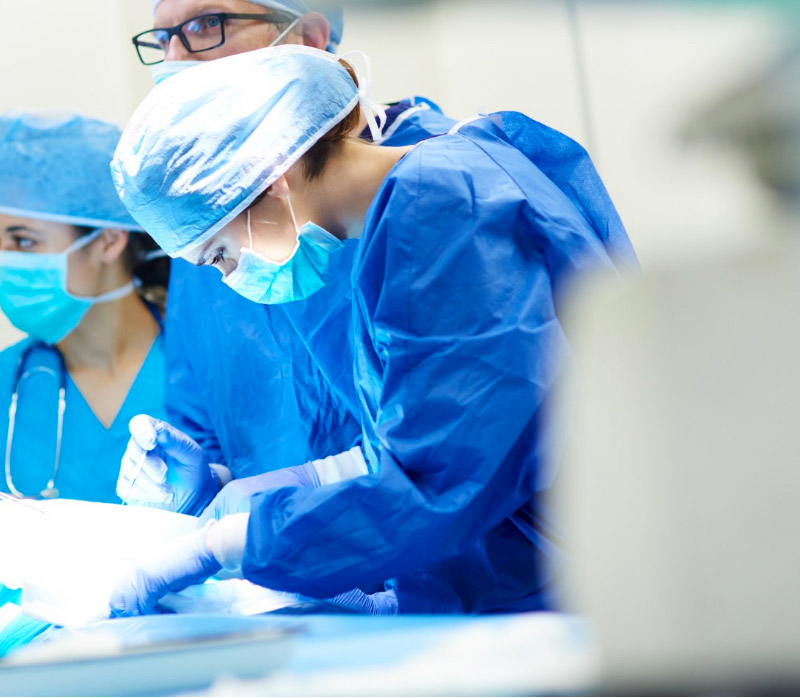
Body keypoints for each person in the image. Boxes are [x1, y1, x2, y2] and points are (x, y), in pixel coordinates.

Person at [108, 46, 637, 616]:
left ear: (270, 182)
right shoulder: (441, 188)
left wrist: (229, 545)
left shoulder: (442, 207)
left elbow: (441, 484)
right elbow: (468, 425)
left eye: (218, 255)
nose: (230, 277)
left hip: (571, 604)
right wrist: (288, 486)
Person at [134, 0, 456, 481]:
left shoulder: (441, 193)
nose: (175, 59)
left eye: (206, 24)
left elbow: (464, 445)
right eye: (162, 40)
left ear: (307, 37)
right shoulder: (209, 222)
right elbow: (201, 410)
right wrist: (206, 484)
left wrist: (291, 504)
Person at [0, 110, 169, 655]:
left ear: (108, 241)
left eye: (22, 242)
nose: (4, 262)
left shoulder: (201, 366)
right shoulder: (9, 382)